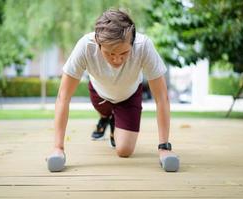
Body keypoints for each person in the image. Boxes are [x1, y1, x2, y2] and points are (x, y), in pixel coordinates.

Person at [47, 9, 180, 172]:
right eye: (110, 54)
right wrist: (58, 148)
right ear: (98, 42)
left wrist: (164, 147)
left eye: (124, 53)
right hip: (100, 95)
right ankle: (106, 117)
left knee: (124, 151)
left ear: (132, 42)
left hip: (128, 96)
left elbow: (162, 98)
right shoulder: (85, 46)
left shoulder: (143, 46)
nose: (117, 59)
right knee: (105, 110)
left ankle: (114, 122)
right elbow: (63, 97)